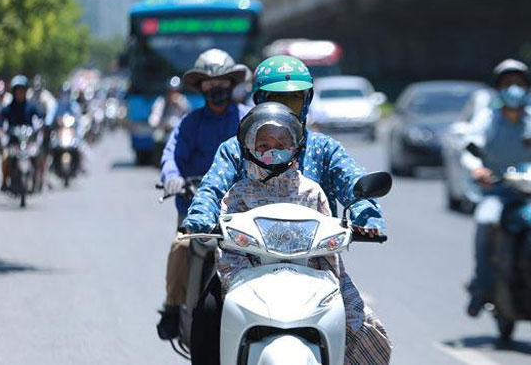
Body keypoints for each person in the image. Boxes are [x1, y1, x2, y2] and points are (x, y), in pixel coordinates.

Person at [182, 56, 390, 364]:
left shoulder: (324, 149)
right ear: (259, 102)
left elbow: (352, 180)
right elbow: (212, 188)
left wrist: (365, 212)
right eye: (277, 100)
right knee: (207, 314)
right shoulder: (235, 148)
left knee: (361, 325)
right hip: (246, 264)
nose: (286, 109)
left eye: (294, 99)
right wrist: (201, 214)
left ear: (307, 101)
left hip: (314, 264)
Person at [157, 49, 250, 340]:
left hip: (242, 210)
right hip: (194, 209)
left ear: (232, 84)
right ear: (201, 88)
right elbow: (171, 157)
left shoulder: (248, 119)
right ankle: (173, 307)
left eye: (222, 82)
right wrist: (173, 178)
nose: (216, 88)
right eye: (210, 84)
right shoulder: (190, 123)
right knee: (181, 247)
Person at [463, 59, 531, 316]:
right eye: (507, 83)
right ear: (498, 88)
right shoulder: (487, 118)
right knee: (485, 221)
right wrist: (477, 169)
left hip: (528, 195)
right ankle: (481, 286)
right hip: (497, 191)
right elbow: (471, 146)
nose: (513, 88)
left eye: (518, 83)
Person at [0, 75, 45, 192]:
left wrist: (42, 127)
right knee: (5, 157)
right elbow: (0, 124)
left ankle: (39, 179)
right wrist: (0, 132)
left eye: (22, 90)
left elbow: (41, 118)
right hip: (13, 142)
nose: (20, 93)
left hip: (28, 141)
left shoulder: (31, 106)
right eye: (18, 90)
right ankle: (4, 181)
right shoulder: (8, 108)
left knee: (39, 155)